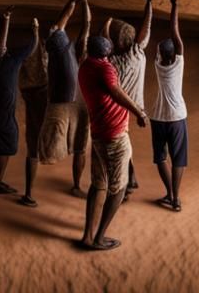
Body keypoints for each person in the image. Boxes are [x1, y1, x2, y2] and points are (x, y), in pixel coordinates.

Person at [77, 34, 148, 251]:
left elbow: (113, 86)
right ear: (107, 53)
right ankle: (99, 238)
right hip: (114, 136)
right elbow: (115, 91)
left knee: (99, 184)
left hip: (99, 134)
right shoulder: (104, 68)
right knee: (118, 188)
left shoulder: (86, 65)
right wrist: (139, 113)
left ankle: (88, 236)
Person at [38, 0, 91, 196]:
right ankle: (76, 185)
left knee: (66, 141)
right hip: (78, 101)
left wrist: (76, 1)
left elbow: (69, 23)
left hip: (65, 101)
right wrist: (79, 2)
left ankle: (73, 182)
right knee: (79, 146)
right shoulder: (65, 48)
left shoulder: (61, 49)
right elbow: (81, 24)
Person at [0, 10, 37, 194]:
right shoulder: (10, 62)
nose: (3, 47)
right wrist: (34, 30)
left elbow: (0, 47)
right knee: (7, 145)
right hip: (4, 111)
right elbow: (31, 47)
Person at [100, 0, 152, 198]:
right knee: (125, 141)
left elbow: (105, 44)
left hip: (118, 108)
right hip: (136, 105)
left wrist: (106, 25)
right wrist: (149, 6)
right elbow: (145, 30)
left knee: (119, 145)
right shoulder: (138, 54)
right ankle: (130, 179)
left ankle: (125, 183)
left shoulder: (112, 62)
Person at [150, 0, 188, 211]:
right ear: (175, 54)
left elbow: (166, 42)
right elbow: (175, 33)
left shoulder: (158, 64)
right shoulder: (178, 63)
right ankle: (176, 199)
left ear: (160, 54)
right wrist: (175, 6)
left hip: (158, 117)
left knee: (161, 157)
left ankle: (169, 193)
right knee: (178, 158)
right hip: (176, 117)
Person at [18, 14, 50, 207]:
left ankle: (29, 193)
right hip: (38, 92)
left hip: (32, 92)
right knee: (34, 148)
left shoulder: (31, 61)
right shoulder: (39, 62)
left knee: (33, 148)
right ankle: (28, 193)